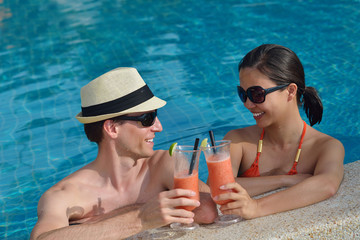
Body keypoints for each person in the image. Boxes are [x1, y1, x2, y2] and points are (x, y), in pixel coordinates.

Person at [30, 67, 217, 240]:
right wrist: (140, 218)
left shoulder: (164, 163)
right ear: (112, 128)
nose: (159, 127)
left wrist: (94, 223)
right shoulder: (64, 195)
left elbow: (209, 209)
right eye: (147, 119)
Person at [215, 44, 345, 219]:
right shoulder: (238, 141)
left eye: (257, 94)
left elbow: (327, 184)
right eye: (243, 94)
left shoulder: (325, 147)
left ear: (290, 91)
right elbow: (219, 188)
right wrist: (284, 180)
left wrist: (256, 207)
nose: (248, 104)